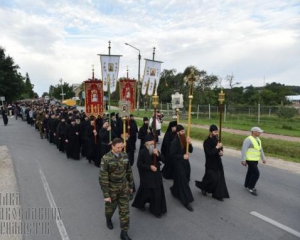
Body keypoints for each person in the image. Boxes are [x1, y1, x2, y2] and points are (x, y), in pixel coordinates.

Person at [99, 138, 134, 240]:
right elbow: (103, 178)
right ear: (112, 146)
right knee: (110, 209)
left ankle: (124, 233)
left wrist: (131, 186)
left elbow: (129, 172)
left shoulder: (125, 155)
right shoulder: (106, 159)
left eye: (121, 147)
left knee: (125, 211)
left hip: (124, 188)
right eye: (118, 147)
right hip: (112, 189)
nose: (120, 149)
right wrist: (106, 195)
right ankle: (108, 218)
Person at [132, 134, 167, 218]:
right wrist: (149, 167)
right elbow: (139, 164)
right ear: (146, 143)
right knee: (144, 193)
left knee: (157, 193)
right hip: (147, 176)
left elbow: (164, 160)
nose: (152, 143)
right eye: (150, 141)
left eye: (153, 141)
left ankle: (156, 210)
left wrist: (158, 154)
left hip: (156, 176)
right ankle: (140, 205)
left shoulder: (155, 150)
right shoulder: (142, 152)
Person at [195, 124, 230, 201]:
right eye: (215, 132)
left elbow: (221, 151)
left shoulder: (218, 141)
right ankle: (203, 187)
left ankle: (217, 194)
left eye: (217, 132)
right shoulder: (206, 142)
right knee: (211, 179)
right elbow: (209, 153)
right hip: (210, 164)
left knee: (219, 180)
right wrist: (217, 147)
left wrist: (221, 152)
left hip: (218, 163)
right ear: (210, 132)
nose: (216, 133)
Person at [170, 125, 194, 211]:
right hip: (178, 164)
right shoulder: (174, 142)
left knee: (185, 178)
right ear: (178, 132)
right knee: (183, 181)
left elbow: (190, 150)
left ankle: (175, 191)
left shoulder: (185, 139)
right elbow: (172, 155)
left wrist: (189, 143)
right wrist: (182, 156)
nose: (183, 133)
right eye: (182, 132)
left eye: (184, 131)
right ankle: (186, 201)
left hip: (185, 163)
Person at [241, 126, 267, 196]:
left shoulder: (258, 139)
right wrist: (243, 160)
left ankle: (246, 185)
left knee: (250, 172)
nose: (260, 133)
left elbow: (260, 149)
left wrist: (263, 158)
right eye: (259, 132)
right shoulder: (248, 140)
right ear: (254, 132)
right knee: (256, 173)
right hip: (250, 159)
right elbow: (244, 150)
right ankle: (251, 187)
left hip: (255, 159)